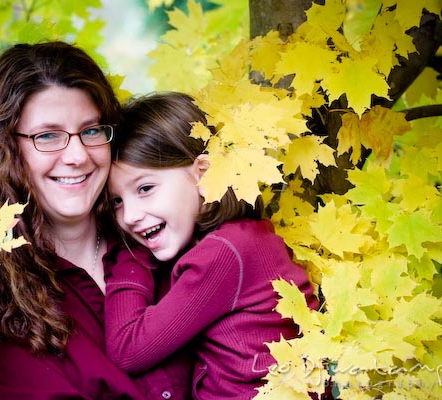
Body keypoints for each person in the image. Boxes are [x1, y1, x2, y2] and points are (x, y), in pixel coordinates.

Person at [0, 42, 189, 399]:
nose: (77, 155)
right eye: (47, 136)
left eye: (91, 131)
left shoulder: (162, 236)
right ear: (5, 150)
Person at [104, 91, 319, 399]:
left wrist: (126, 255)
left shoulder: (225, 253)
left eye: (145, 188)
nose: (130, 216)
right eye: (116, 201)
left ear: (202, 174)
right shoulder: (244, 239)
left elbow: (128, 348)